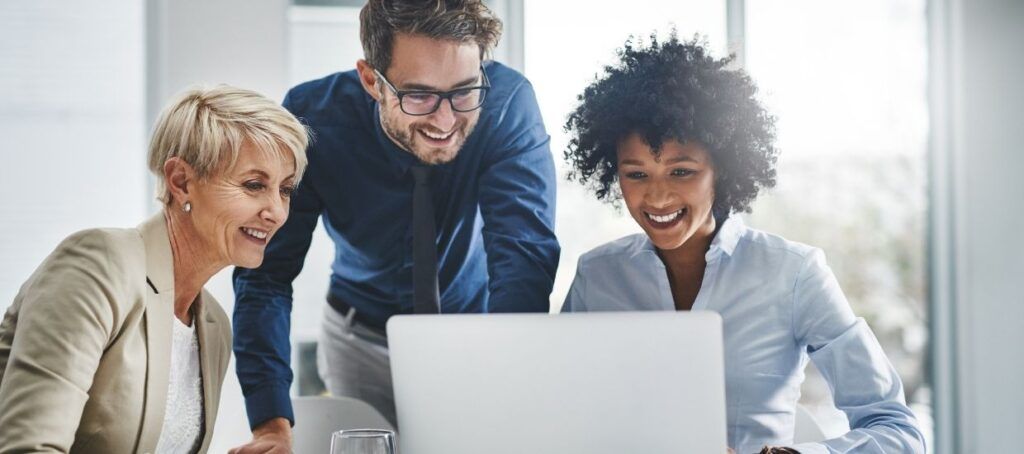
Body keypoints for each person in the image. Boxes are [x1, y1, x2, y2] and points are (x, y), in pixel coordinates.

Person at [560, 34, 926, 454]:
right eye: (637, 174)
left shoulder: (794, 273)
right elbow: (559, 409)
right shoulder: (597, 276)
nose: (657, 198)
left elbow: (898, 432)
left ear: (723, 169)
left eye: (681, 172)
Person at [229, 0, 560, 451]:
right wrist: (269, 421)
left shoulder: (506, 105)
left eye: (463, 90)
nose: (445, 120)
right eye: (419, 95)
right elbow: (265, 275)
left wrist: (504, 384)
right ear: (371, 80)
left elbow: (523, 255)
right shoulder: (312, 119)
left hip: (477, 334)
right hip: (358, 339)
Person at [0, 85, 308, 454]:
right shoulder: (98, 267)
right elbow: (27, 448)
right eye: (254, 185)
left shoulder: (212, 325)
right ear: (181, 182)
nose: (276, 211)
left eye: (285, 189)